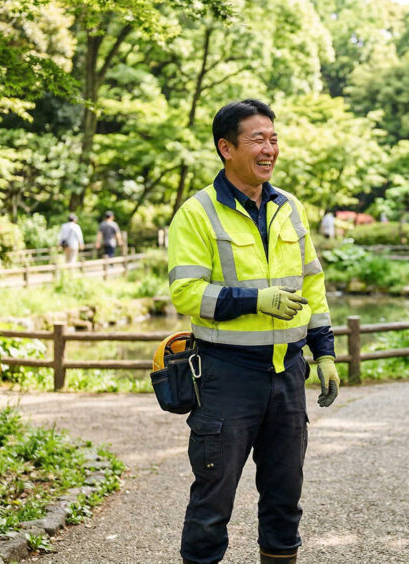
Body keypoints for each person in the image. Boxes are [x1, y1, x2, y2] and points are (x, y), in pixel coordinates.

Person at [167, 99, 339, 564]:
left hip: (287, 377)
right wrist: (254, 300)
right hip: (225, 377)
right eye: (257, 139)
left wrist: (324, 352)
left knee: (285, 502)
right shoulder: (197, 213)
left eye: (274, 138)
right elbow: (185, 293)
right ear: (226, 147)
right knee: (212, 503)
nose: (269, 149)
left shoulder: (290, 208)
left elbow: (312, 285)